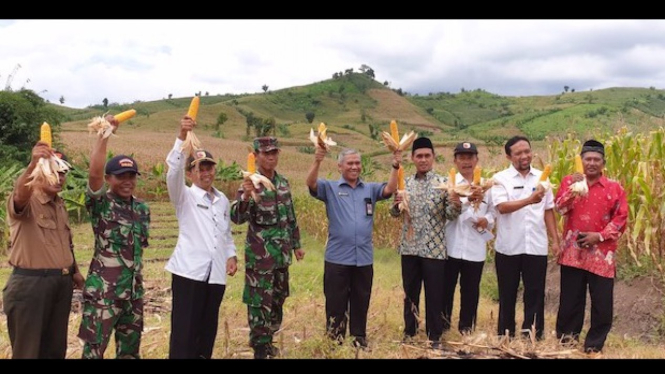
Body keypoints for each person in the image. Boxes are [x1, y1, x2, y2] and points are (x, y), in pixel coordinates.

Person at [306, 145, 401, 349]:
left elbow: (390, 189)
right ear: (340, 166)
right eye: (350, 163)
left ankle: (359, 337)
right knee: (335, 301)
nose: (354, 166)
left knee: (361, 300)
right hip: (337, 258)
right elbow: (311, 183)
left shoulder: (369, 189)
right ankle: (334, 339)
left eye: (357, 163)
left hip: (364, 258)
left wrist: (395, 164)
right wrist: (317, 161)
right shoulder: (330, 188)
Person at [77, 114, 151, 359]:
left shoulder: (141, 209)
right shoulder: (102, 204)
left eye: (131, 176)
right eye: (121, 176)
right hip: (104, 296)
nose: (127, 181)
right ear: (109, 179)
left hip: (133, 296)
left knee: (130, 354)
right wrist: (104, 135)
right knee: (93, 353)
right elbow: (94, 175)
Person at [165, 115, 238, 359]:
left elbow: (226, 233)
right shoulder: (184, 196)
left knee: (207, 332)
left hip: (215, 275)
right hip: (189, 273)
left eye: (209, 167)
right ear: (191, 173)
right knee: (184, 333)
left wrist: (232, 255)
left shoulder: (222, 200)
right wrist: (181, 137)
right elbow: (173, 171)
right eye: (200, 168)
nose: (206, 173)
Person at [3, 144, 84, 358]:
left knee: (55, 350)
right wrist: (32, 164)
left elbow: (65, 241)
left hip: (60, 284)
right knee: (29, 351)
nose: (59, 178)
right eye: (52, 172)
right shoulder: (27, 201)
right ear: (39, 173)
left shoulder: (59, 205)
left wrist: (74, 271)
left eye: (62, 173)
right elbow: (20, 193)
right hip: (31, 285)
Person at [230, 136, 303, 359]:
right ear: (256, 156)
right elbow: (237, 217)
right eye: (265, 153)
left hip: (281, 256)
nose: (271, 156)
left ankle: (270, 339)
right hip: (261, 257)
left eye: (274, 152)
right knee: (259, 301)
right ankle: (260, 346)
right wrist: (245, 194)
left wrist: (296, 244)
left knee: (278, 298)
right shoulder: (251, 183)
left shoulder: (283, 183)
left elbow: (290, 216)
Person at [554, 139, 628, 355]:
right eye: (588, 159)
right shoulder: (570, 181)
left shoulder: (615, 188)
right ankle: (566, 340)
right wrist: (572, 189)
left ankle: (594, 345)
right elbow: (559, 208)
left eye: (597, 160)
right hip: (572, 252)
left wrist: (600, 236)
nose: (592, 163)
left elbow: (621, 218)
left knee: (602, 303)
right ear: (581, 161)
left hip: (602, 254)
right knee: (570, 299)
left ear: (603, 163)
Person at [389, 137, 461, 348]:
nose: (423, 160)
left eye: (427, 156)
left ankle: (434, 336)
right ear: (412, 158)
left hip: (434, 250)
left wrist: (456, 204)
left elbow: (450, 214)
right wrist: (396, 205)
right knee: (410, 293)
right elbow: (394, 213)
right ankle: (410, 331)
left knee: (434, 294)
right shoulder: (405, 183)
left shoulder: (443, 184)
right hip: (409, 248)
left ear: (433, 157)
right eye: (419, 156)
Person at [489, 135, 560, 340]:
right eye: (518, 153)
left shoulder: (542, 178)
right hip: (508, 247)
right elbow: (502, 207)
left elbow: (548, 210)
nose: (524, 156)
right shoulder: (500, 179)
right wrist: (529, 199)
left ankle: (532, 335)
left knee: (535, 294)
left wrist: (555, 240)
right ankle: (505, 335)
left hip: (536, 247)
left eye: (527, 151)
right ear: (509, 156)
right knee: (507, 294)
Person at [443, 142, 495, 335]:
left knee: (471, 291)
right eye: (462, 157)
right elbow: (445, 213)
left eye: (470, 157)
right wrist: (467, 202)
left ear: (476, 160)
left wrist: (486, 220)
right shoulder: (448, 185)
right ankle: (443, 325)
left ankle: (467, 328)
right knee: (446, 289)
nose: (466, 162)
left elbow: (493, 212)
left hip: (475, 248)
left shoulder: (487, 186)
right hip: (451, 245)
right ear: (455, 160)